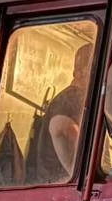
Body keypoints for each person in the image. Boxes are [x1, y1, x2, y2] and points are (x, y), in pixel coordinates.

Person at [25, 40, 93, 183]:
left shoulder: (67, 98)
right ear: (80, 72)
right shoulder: (74, 97)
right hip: (60, 187)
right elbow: (60, 127)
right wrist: (81, 175)